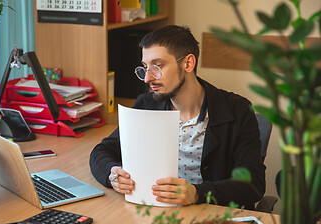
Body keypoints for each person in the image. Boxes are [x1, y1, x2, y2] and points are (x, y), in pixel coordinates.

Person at [89, 25, 265, 210]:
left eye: (157, 66)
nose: (147, 78)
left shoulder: (238, 110)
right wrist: (113, 174)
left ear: (188, 63)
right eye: (144, 68)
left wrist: (197, 193)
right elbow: (101, 151)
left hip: (211, 217)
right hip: (156, 213)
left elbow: (253, 184)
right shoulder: (146, 105)